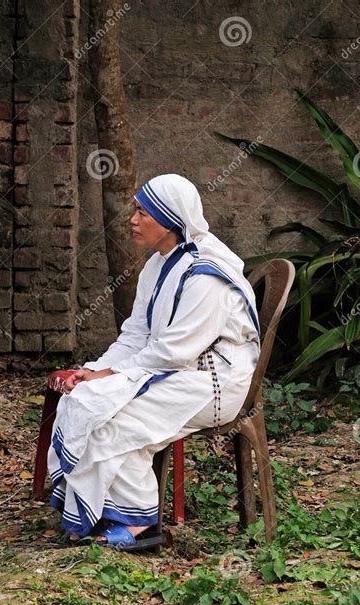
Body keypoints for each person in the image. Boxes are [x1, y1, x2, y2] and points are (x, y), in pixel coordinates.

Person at [47, 173, 260, 550]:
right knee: (87, 400)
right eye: (135, 210)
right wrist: (95, 371)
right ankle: (96, 509)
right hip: (177, 369)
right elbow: (136, 335)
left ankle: (138, 523)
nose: (133, 219)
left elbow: (175, 351)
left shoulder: (204, 274)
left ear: (172, 219)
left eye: (143, 212)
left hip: (215, 382)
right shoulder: (158, 265)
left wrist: (109, 376)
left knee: (116, 418)